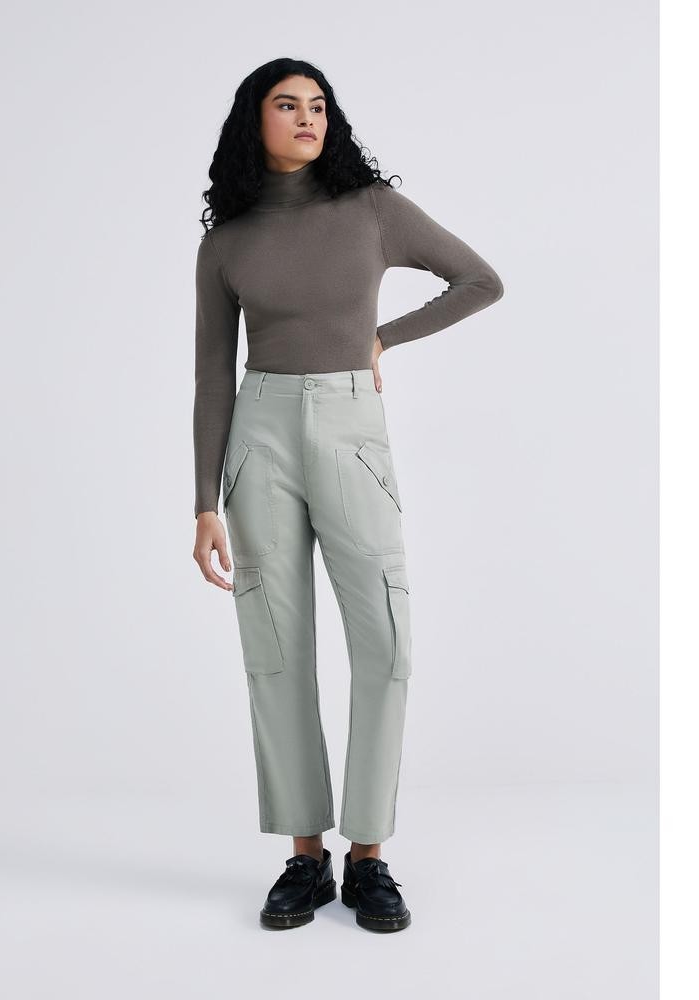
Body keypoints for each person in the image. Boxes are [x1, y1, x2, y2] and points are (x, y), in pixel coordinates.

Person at [191, 58, 504, 932]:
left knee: (385, 640)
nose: (308, 117)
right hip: (258, 434)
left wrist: (383, 337)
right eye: (287, 105)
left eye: (319, 106)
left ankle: (368, 855)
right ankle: (306, 855)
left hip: (349, 428)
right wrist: (204, 501)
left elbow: (480, 280)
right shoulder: (227, 241)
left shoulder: (371, 209)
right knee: (276, 648)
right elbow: (211, 377)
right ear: (254, 121)